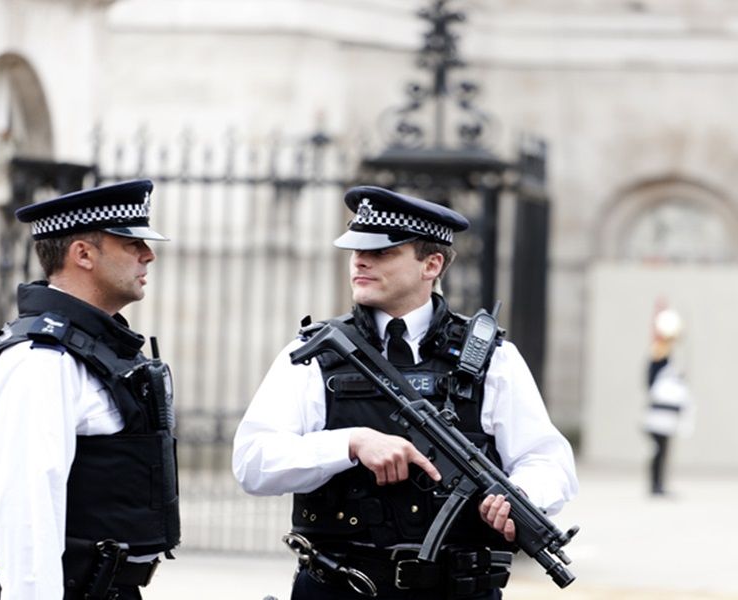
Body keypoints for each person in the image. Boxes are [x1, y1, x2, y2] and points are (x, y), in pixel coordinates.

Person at [232, 185, 578, 599]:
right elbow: (252, 463)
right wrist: (350, 444)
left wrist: (520, 495)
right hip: (342, 585)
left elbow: (547, 460)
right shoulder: (316, 353)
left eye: (382, 252)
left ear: (431, 264)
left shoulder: (493, 359)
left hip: (458, 589)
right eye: (356, 250)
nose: (360, 261)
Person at [0, 179, 180, 600]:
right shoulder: (40, 359)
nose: (148, 254)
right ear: (83, 254)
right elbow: (28, 512)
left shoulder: (92, 348)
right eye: (131, 243)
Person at [642, 306, 694, 497]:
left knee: (664, 449)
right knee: (658, 449)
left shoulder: (668, 355)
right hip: (658, 412)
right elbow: (651, 382)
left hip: (667, 413)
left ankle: (660, 483)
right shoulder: (659, 354)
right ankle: (655, 484)